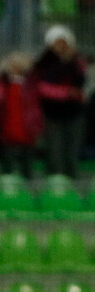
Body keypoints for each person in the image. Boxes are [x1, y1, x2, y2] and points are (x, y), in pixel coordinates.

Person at [0, 52, 43, 177]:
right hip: (6, 132)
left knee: (27, 170)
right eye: (12, 64)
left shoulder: (32, 84)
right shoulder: (1, 83)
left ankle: (28, 192)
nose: (15, 66)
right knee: (6, 169)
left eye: (18, 64)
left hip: (27, 132)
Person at [34, 26, 87, 178]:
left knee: (71, 155)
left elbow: (80, 82)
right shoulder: (45, 64)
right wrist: (66, 93)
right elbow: (42, 88)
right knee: (55, 156)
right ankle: (54, 190)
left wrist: (70, 61)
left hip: (74, 115)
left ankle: (73, 191)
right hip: (52, 116)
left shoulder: (77, 61)